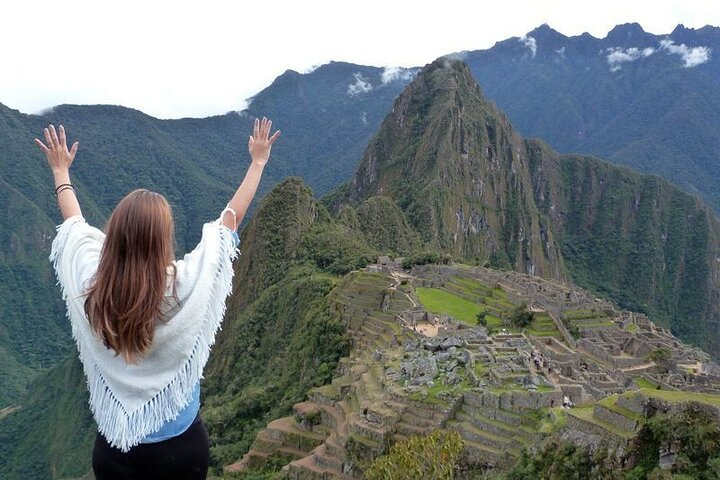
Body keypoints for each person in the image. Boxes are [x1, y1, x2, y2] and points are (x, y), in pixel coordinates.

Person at [35, 118, 280, 479]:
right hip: (179, 451)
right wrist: (257, 163)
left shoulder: (94, 287)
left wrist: (61, 173)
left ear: (114, 235)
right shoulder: (184, 285)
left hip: (114, 452)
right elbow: (230, 220)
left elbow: (74, 226)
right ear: (164, 238)